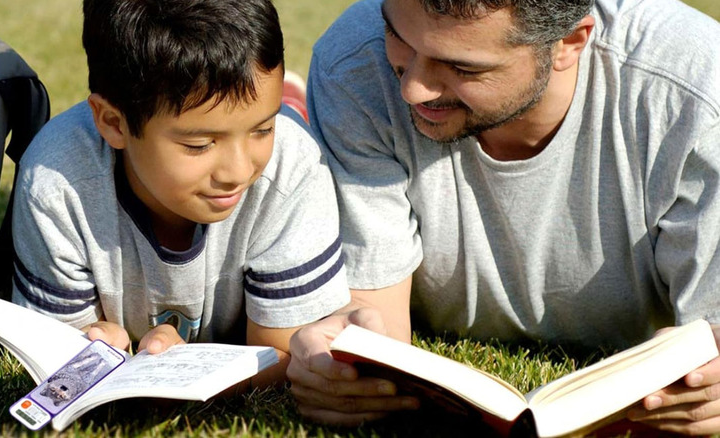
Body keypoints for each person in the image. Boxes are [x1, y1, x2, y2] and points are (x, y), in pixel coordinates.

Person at [287, 0, 720, 434]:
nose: (413, 89)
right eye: (398, 38)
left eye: (463, 68)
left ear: (569, 42)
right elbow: (371, 314)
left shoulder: (695, 91)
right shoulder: (354, 62)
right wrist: (341, 358)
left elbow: (713, 336)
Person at [11, 0, 350, 389]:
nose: (239, 172)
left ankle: (289, 105)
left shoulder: (291, 167)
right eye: (200, 144)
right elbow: (54, 353)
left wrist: (185, 370)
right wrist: (95, 344)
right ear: (113, 123)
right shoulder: (58, 184)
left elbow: (283, 351)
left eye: (262, 128)